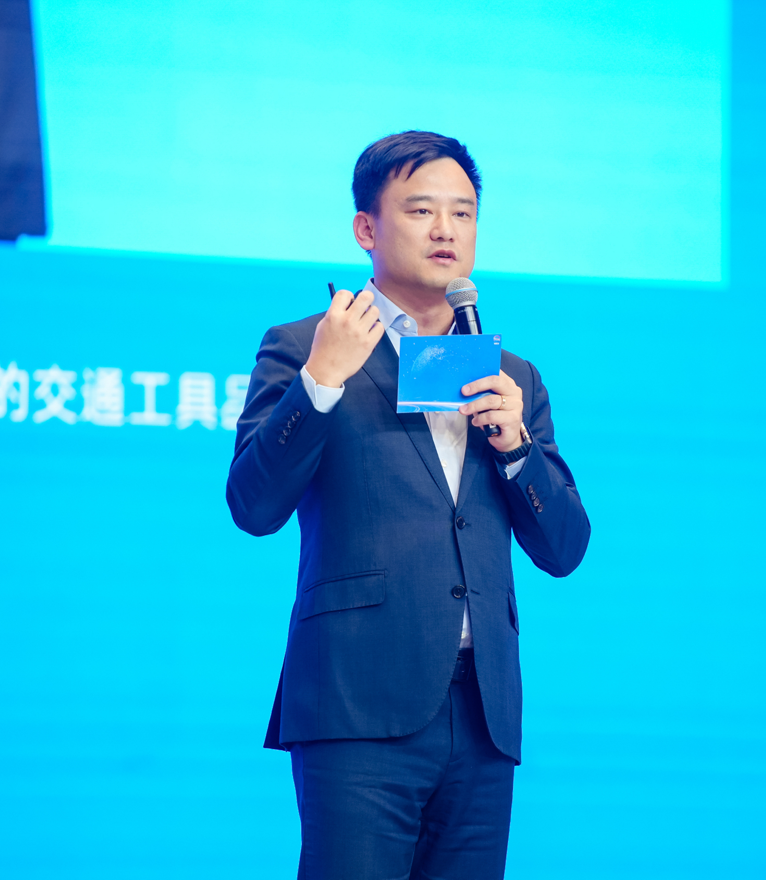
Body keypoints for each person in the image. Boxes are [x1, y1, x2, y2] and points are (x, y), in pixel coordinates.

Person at [226, 130, 590, 879]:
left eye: (463, 213)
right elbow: (253, 506)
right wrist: (321, 383)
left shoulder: (511, 374)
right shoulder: (305, 346)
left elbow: (565, 548)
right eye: (421, 210)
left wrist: (516, 446)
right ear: (367, 229)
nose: (445, 229)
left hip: (483, 712)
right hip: (357, 701)